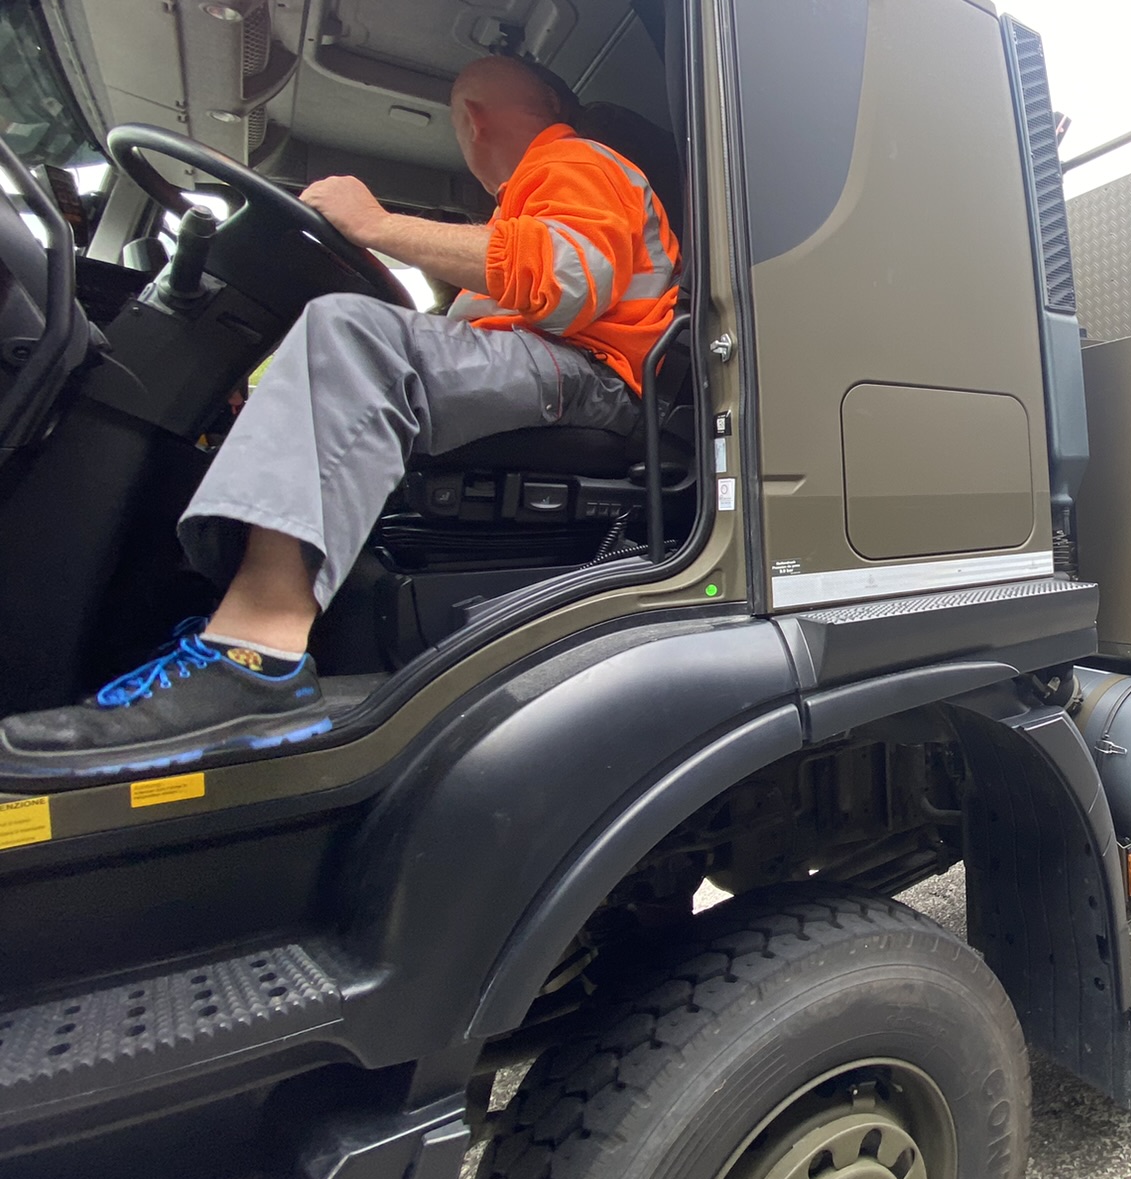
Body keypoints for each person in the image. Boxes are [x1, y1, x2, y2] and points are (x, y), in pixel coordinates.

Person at [1, 56, 681, 756]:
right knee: (339, 356)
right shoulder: (535, 193)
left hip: (589, 376)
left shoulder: (574, 157)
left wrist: (377, 224)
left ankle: (254, 656)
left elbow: (569, 279)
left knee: (351, 333)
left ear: (473, 119)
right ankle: (240, 609)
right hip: (561, 371)